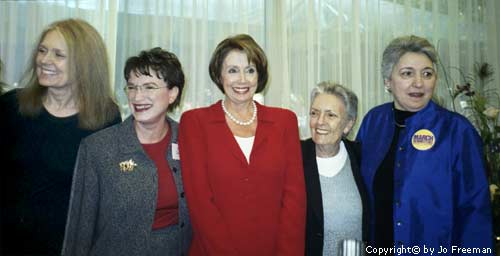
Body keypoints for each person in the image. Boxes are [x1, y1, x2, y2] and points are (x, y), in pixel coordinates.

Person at [356, 35, 493, 253]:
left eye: (427, 74)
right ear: (387, 81)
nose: (418, 83)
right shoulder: (373, 122)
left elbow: (475, 212)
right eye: (407, 73)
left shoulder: (457, 131)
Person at [0, 18, 121, 255]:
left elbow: (104, 194)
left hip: (67, 246)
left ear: (84, 64)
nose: (45, 60)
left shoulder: (106, 117)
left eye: (58, 54)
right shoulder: (11, 106)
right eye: (43, 51)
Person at [178, 34, 306, 256]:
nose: (242, 80)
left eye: (250, 70)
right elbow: (200, 204)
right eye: (232, 70)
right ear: (219, 75)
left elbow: (294, 200)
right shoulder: (194, 123)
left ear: (259, 75)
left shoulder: (285, 122)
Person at [62, 47, 192, 256]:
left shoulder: (189, 141)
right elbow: (80, 227)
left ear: (172, 94)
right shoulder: (98, 148)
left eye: (149, 87)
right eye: (132, 87)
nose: (137, 96)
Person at [302, 81, 369, 256]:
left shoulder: (363, 158)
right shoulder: (294, 157)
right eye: (314, 113)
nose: (319, 122)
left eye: (330, 115)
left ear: (348, 124)